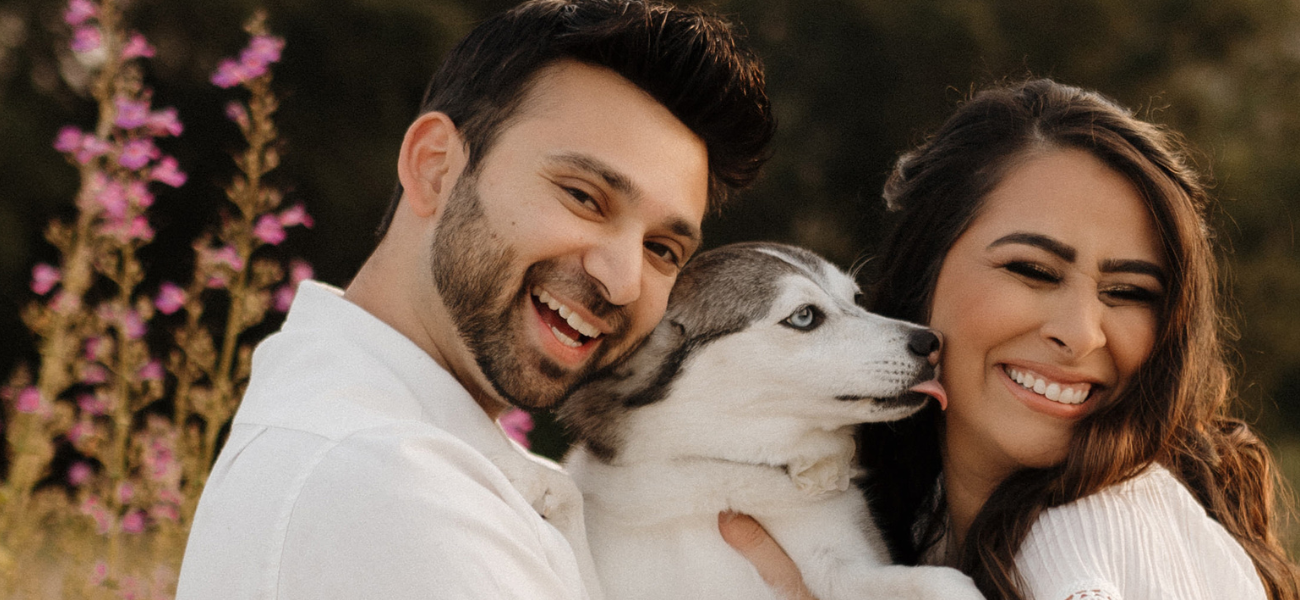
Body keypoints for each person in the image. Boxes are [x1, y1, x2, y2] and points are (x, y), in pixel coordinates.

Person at [175, 1, 774, 598]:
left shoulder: (378, 450)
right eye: (584, 197)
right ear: (434, 168)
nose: (622, 281)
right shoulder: (387, 484)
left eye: (663, 249)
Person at [730, 79, 1300, 600]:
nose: (1080, 334)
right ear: (922, 274)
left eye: (1129, 291)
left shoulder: (1078, 536)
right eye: (1034, 271)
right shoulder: (919, 522)